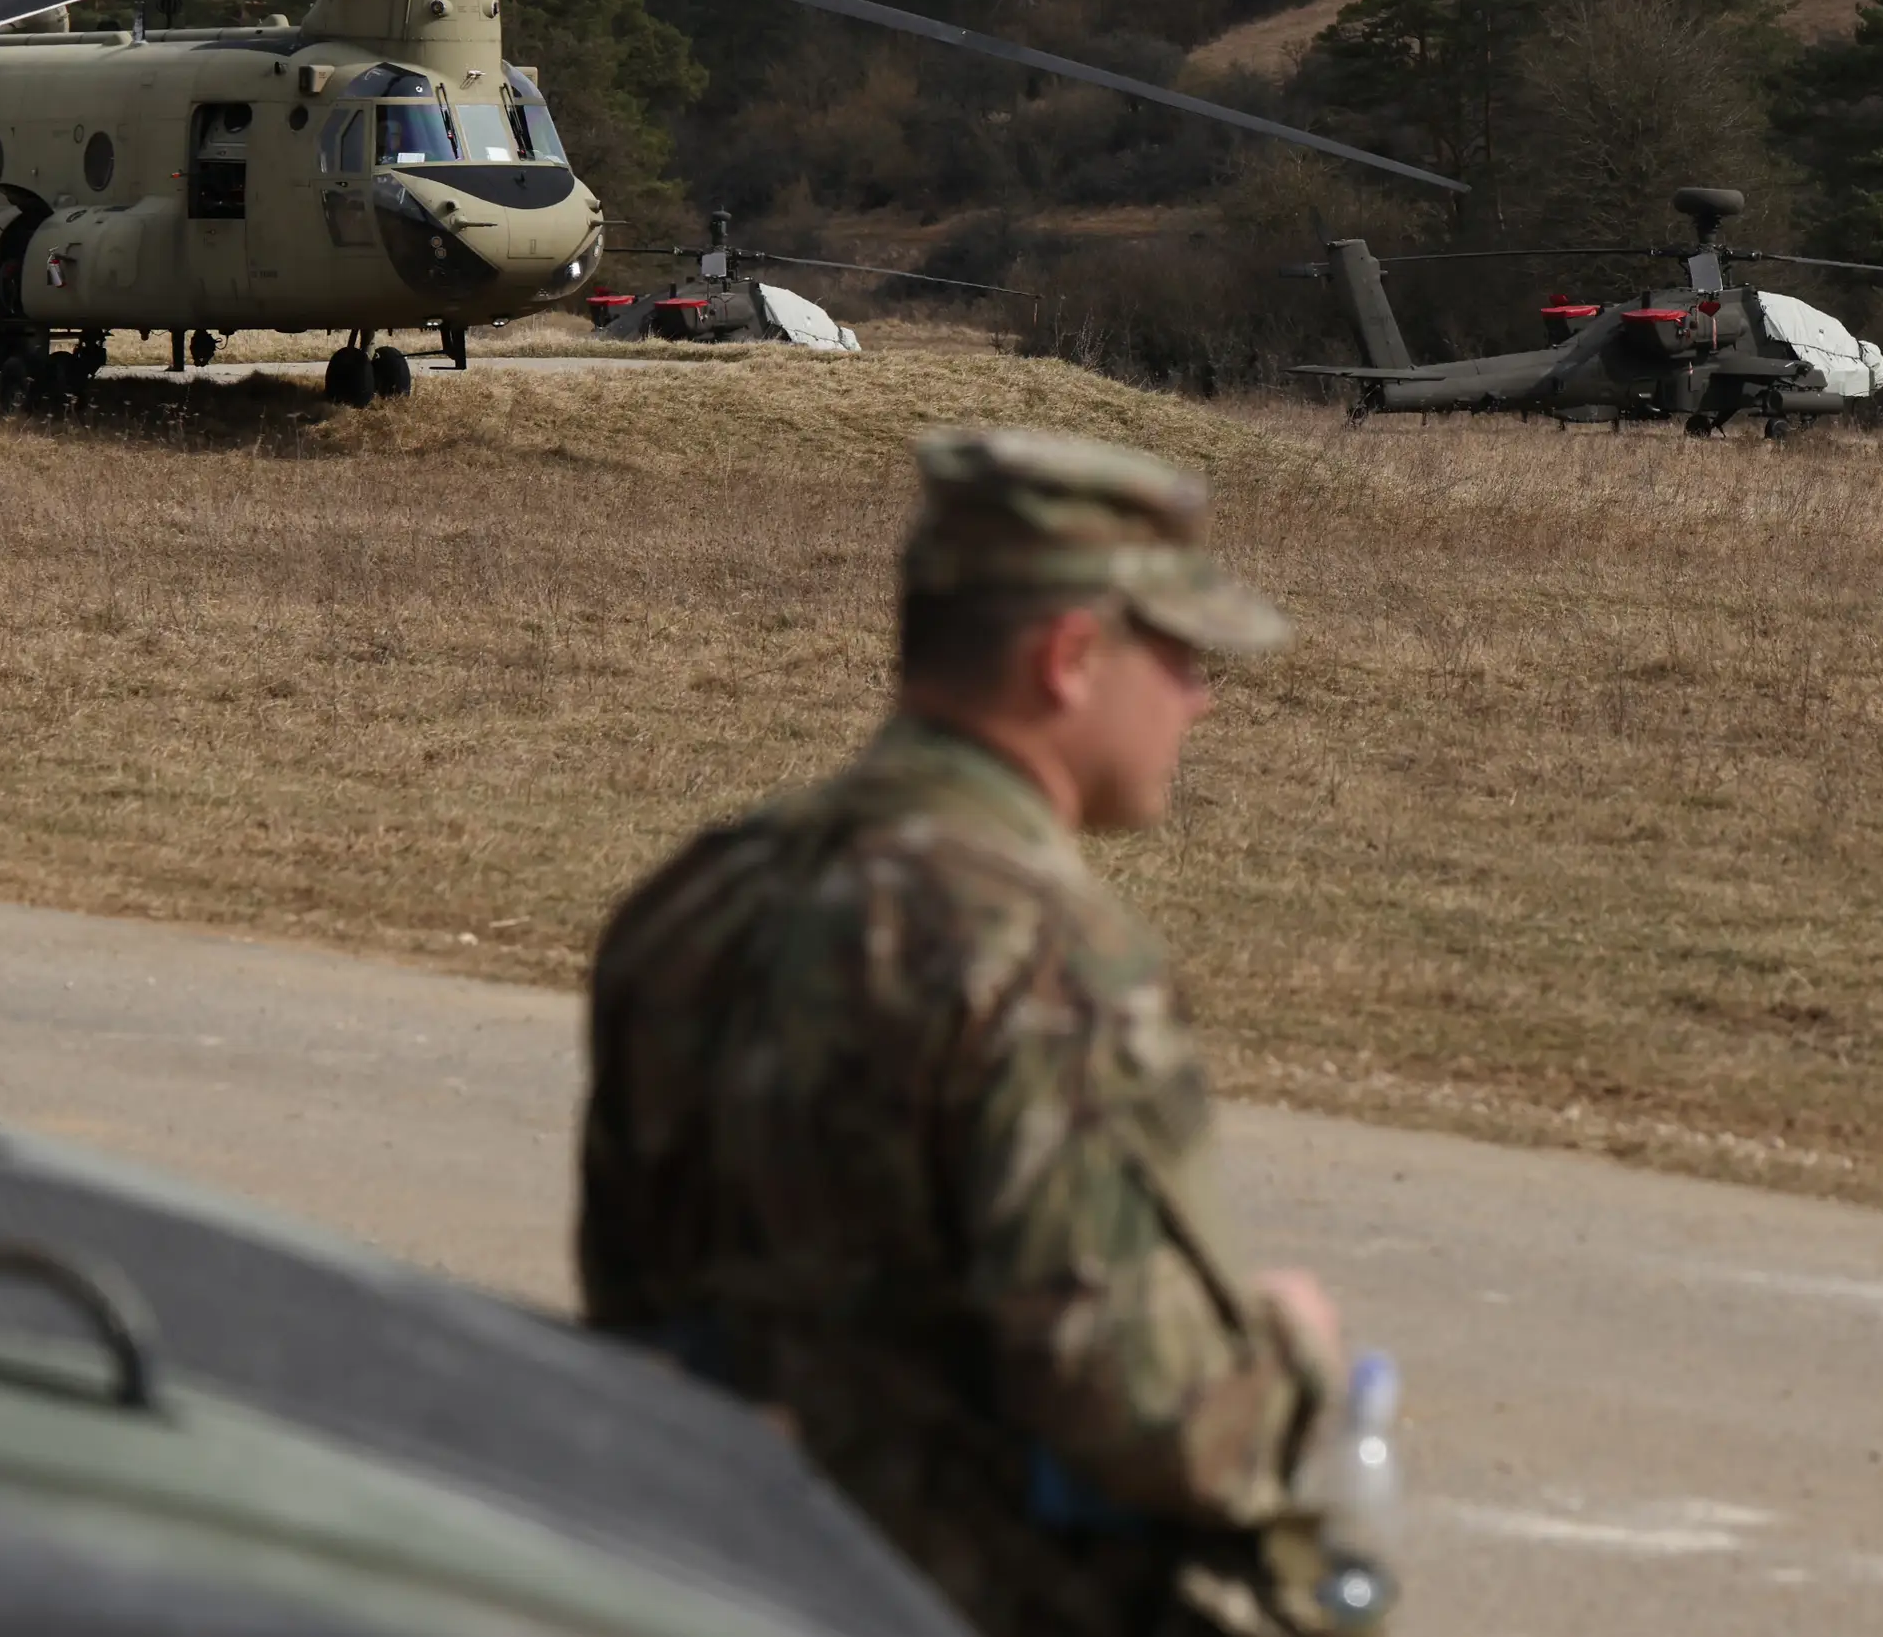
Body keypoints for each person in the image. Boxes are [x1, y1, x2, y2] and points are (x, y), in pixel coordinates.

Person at [579, 427, 1351, 1637]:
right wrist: (1294, 1356)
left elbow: (630, 1318)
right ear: (1070, 656)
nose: (1200, 696)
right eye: (1184, 655)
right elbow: (1151, 1417)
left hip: (711, 1576)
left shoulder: (695, 896)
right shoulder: (1045, 957)